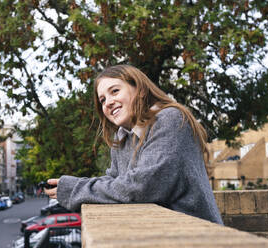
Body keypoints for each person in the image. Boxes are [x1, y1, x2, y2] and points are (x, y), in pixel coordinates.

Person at [44, 65, 223, 224]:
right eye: (102, 100)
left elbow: (144, 187)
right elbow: (115, 181)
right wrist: (71, 185)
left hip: (196, 237)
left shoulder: (169, 120)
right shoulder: (123, 138)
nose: (108, 103)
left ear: (140, 90)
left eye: (114, 91)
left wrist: (75, 189)